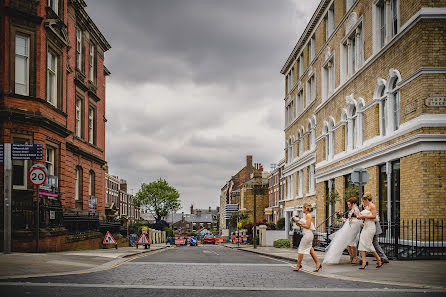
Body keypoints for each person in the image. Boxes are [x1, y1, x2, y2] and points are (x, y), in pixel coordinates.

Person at [323, 197, 362, 265]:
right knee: (348, 242)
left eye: (349, 204)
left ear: (353, 204)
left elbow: (358, 219)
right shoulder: (352, 209)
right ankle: (352, 257)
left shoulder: (356, 209)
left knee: (352, 242)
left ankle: (355, 258)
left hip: (353, 228)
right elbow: (352, 219)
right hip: (349, 227)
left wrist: (347, 220)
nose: (348, 205)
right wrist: (345, 220)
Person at [292, 203, 322, 272]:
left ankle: (298, 265)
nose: (302, 209)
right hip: (307, 234)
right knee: (310, 250)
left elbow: (308, 226)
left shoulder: (308, 215)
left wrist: (300, 224)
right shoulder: (306, 215)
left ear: (305, 208)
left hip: (307, 235)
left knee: (301, 249)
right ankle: (318, 264)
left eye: (303, 208)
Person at [357, 192, 382, 269]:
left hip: (371, 227)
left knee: (368, 243)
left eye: (363, 201)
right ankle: (364, 262)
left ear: (366, 200)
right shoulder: (367, 206)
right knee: (361, 242)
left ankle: (379, 259)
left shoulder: (372, 206)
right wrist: (363, 220)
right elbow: (367, 217)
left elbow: (374, 216)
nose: (363, 203)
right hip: (366, 226)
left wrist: (363, 216)